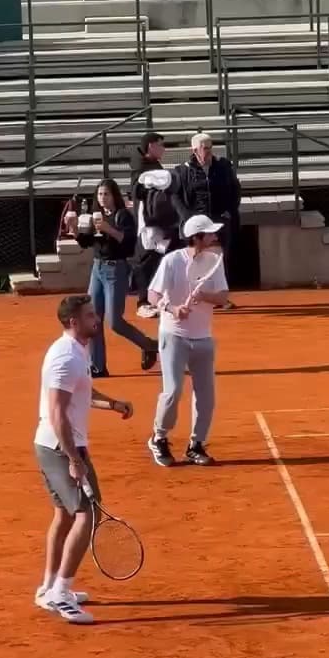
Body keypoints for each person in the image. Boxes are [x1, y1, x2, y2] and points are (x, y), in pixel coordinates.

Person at [34, 294, 134, 624]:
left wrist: (113, 404)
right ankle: (62, 594)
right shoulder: (66, 358)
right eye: (91, 315)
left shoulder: (77, 351)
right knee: (85, 512)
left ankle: (48, 588)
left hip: (56, 445)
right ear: (73, 322)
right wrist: (74, 459)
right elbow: (57, 412)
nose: (97, 318)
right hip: (62, 447)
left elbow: (82, 394)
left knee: (64, 514)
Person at [146, 214, 229, 468]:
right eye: (210, 233)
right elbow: (152, 295)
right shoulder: (171, 261)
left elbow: (223, 297)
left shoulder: (214, 261)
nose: (215, 236)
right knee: (172, 392)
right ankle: (158, 438)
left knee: (206, 397)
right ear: (197, 237)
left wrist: (204, 295)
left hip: (203, 337)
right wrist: (171, 309)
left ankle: (196, 445)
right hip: (174, 336)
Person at [77, 178, 158, 376]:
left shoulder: (122, 216)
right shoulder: (96, 217)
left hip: (116, 270)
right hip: (97, 268)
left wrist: (108, 229)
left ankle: (149, 345)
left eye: (106, 194)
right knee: (93, 319)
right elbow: (86, 242)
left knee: (115, 321)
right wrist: (74, 229)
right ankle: (98, 366)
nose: (102, 198)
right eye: (99, 194)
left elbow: (128, 242)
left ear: (114, 196)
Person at [172, 132, 241, 306]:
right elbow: (175, 197)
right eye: (204, 148)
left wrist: (229, 211)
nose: (208, 152)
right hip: (194, 225)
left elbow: (235, 190)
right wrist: (188, 218)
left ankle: (218, 298)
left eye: (210, 147)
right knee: (193, 261)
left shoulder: (223, 166)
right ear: (194, 149)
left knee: (217, 261)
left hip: (217, 222)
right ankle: (192, 297)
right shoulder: (182, 170)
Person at [130, 132, 181, 319]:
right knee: (145, 262)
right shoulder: (140, 167)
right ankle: (143, 303)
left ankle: (155, 301)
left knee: (158, 261)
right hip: (147, 224)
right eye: (161, 144)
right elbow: (137, 191)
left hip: (158, 221)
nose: (164, 148)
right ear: (151, 146)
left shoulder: (151, 165)